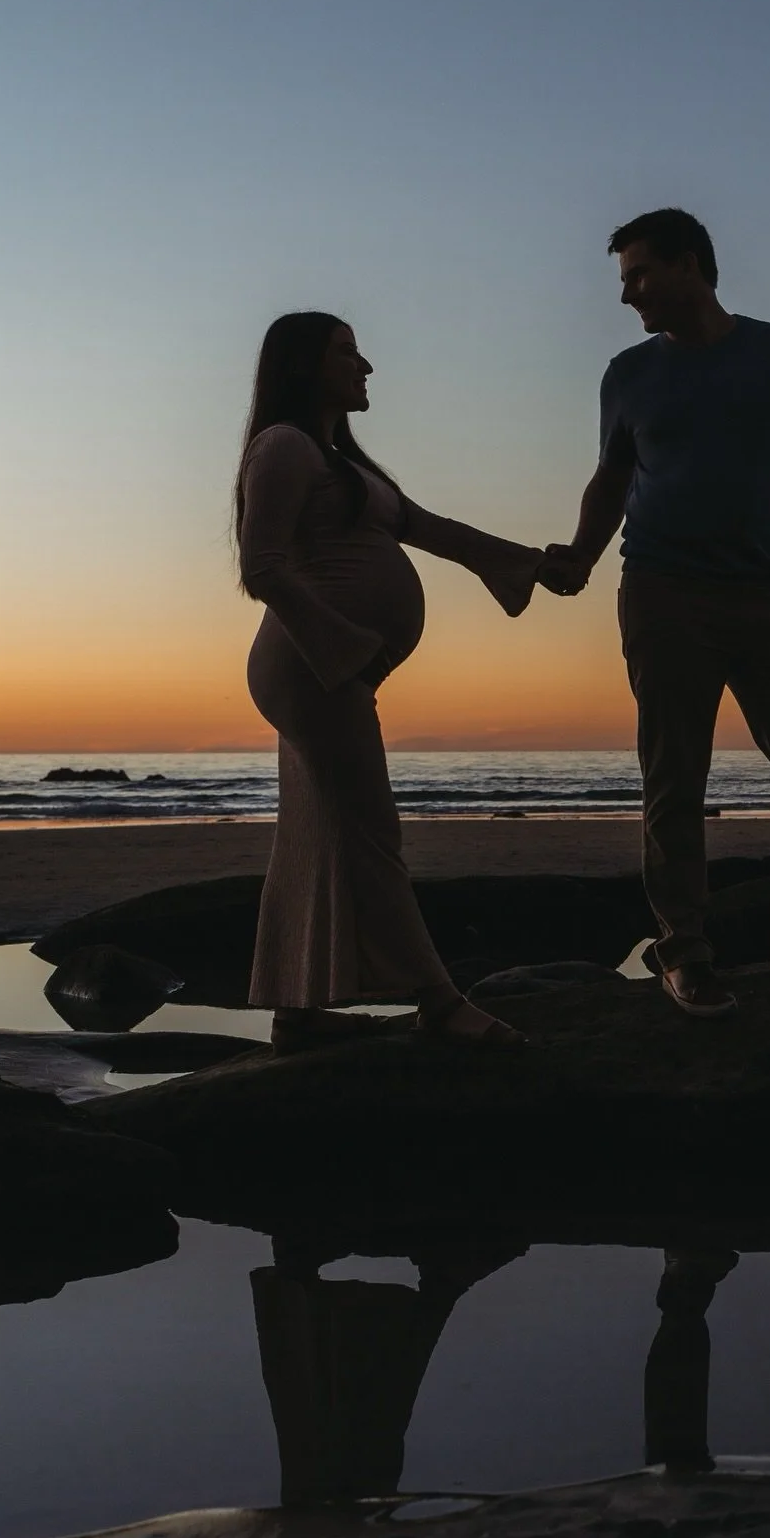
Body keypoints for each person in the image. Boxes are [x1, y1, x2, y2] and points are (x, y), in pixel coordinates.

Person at [546, 209, 770, 1018]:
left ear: (692, 265)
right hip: (664, 592)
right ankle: (686, 956)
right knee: (675, 777)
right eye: (624, 279)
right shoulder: (627, 374)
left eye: (639, 274)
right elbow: (610, 481)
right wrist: (580, 554)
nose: (628, 293)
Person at [236, 310, 546, 1048]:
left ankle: (296, 1010)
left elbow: (431, 528)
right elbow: (261, 565)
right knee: (370, 830)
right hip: (311, 664)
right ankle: (439, 1003)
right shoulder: (281, 447)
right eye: (348, 352)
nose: (366, 365)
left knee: (317, 830)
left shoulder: (340, 461)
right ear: (306, 366)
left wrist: (530, 562)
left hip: (329, 665)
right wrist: (340, 645)